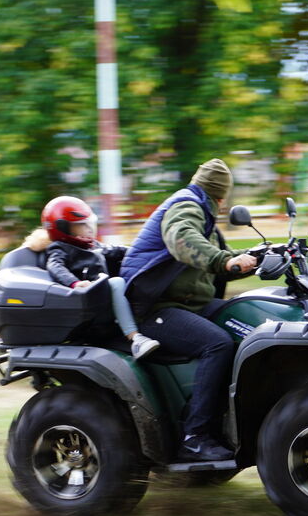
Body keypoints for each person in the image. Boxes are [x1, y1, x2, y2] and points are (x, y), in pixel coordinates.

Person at [119, 158, 257, 462]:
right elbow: (183, 241)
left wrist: (259, 256)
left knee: (245, 320)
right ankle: (195, 437)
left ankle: (226, 421)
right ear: (221, 197)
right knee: (217, 344)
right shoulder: (186, 206)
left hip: (189, 305)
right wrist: (227, 261)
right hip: (155, 308)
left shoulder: (204, 218)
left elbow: (222, 259)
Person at [23, 196, 161, 359]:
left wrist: (151, 252)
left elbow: (119, 250)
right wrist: (75, 283)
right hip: (91, 302)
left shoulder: (93, 246)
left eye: (89, 223)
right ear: (64, 229)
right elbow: (56, 267)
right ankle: (135, 339)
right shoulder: (60, 249)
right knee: (116, 283)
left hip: (103, 298)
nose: (89, 229)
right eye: (81, 225)